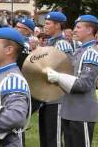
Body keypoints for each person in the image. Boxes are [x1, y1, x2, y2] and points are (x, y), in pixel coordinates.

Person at [45, 15, 98, 147]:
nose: (74, 30)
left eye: (78, 27)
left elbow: (84, 85)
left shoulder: (90, 53)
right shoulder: (80, 51)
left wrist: (59, 78)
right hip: (69, 111)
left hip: (82, 113)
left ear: (89, 30)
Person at [38, 11, 74, 147]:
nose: (44, 26)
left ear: (58, 25)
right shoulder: (49, 42)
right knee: (45, 137)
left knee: (55, 139)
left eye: (48, 23)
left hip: (57, 97)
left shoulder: (62, 44)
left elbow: (69, 70)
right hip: (47, 96)